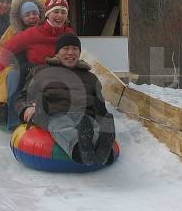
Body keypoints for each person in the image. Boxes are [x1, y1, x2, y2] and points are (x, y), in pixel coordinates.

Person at [16, 33, 116, 166]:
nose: (71, 52)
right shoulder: (41, 72)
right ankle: (81, 151)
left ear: (79, 53)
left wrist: (102, 117)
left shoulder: (91, 78)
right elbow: (23, 97)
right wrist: (26, 109)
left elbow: (99, 104)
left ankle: (103, 147)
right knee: (60, 125)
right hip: (54, 113)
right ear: (57, 52)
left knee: (92, 126)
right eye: (66, 48)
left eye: (75, 49)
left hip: (84, 115)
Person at [0, 0, 74, 129]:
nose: (59, 15)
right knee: (14, 76)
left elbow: (75, 55)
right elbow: (6, 50)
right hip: (34, 74)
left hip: (60, 75)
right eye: (56, 11)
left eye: (63, 12)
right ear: (48, 14)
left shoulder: (69, 34)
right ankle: (14, 120)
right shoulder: (34, 33)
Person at [0, 0, 44, 128]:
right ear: (21, 18)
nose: (32, 17)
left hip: (39, 67)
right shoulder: (14, 31)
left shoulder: (44, 29)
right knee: (12, 76)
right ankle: (7, 112)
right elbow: (3, 49)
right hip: (17, 65)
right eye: (27, 14)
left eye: (35, 13)